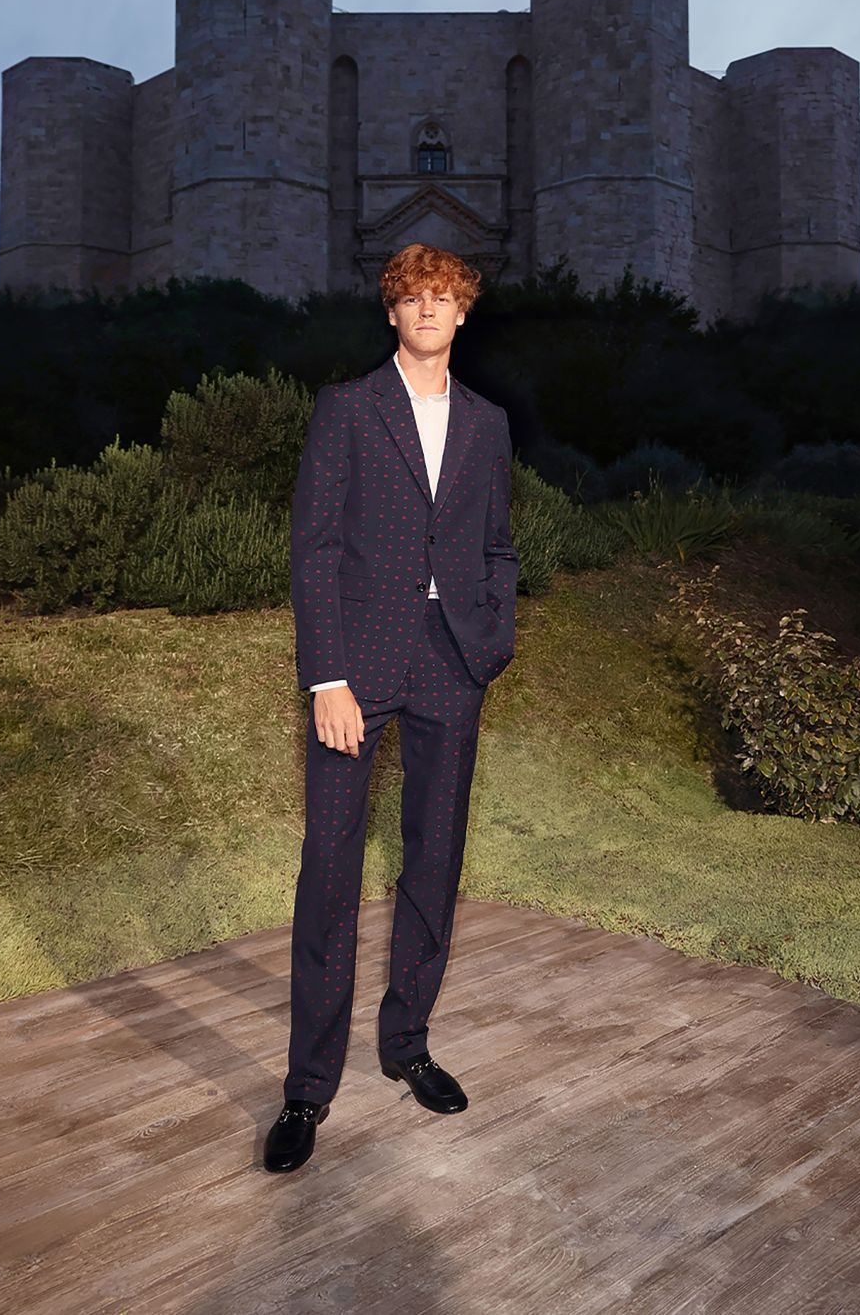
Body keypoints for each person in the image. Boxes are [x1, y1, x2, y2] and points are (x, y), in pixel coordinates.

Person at [264, 242, 519, 1173]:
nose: (427, 310)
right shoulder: (347, 408)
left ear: (463, 315)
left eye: (444, 298)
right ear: (391, 313)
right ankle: (306, 1088)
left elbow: (498, 544)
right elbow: (315, 547)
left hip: (454, 664)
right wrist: (325, 675)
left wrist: (493, 638)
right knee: (329, 869)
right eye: (413, 296)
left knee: (434, 860)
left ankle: (406, 1042)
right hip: (357, 670)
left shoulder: (489, 424)